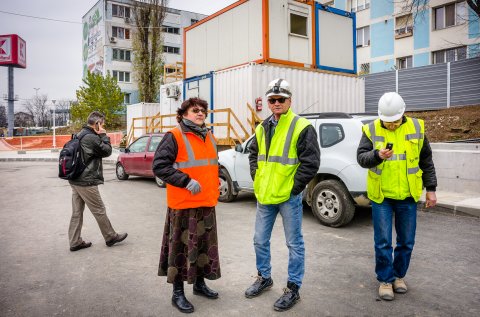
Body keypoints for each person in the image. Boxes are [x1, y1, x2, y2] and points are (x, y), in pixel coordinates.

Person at [245, 79, 320, 311]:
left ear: (289, 101)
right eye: (272, 100)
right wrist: (257, 180)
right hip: (265, 196)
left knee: (294, 243)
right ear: (268, 102)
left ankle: (293, 288)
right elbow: (253, 155)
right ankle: (264, 278)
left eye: (281, 99)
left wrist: (293, 188)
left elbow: (311, 163)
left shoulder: (301, 126)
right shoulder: (261, 127)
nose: (276, 103)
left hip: (288, 197)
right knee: (259, 240)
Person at [357, 92, 437, 301]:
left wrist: (431, 188)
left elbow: (426, 161)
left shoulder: (417, 128)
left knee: (406, 241)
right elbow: (361, 159)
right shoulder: (370, 129)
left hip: (407, 195)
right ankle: (385, 280)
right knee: (383, 241)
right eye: (387, 121)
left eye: (395, 121)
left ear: (403, 114)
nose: (391, 125)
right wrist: (377, 155)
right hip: (381, 195)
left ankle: (398, 276)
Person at [153, 98, 221, 314]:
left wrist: (214, 180)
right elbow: (159, 166)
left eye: (203, 110)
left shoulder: (209, 136)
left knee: (202, 246)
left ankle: (200, 285)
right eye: (195, 110)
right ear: (183, 114)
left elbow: (210, 165)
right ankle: (178, 293)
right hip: (183, 205)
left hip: (206, 202)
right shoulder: (174, 136)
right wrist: (186, 181)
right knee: (181, 250)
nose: (200, 113)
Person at [68, 111, 128, 251]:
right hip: (86, 181)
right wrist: (103, 135)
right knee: (99, 209)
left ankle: (75, 241)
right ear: (97, 124)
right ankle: (110, 236)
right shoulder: (91, 137)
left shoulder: (80, 134)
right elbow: (107, 151)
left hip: (75, 179)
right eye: (102, 124)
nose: (103, 126)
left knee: (77, 212)